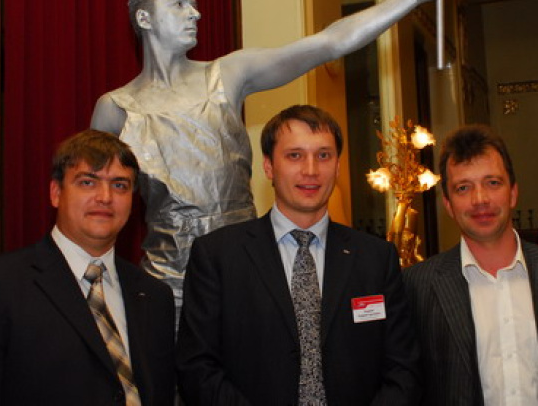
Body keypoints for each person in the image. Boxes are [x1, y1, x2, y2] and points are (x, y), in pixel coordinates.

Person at [90, 0, 452, 310]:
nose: (195, 14)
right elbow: (96, 206)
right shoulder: (117, 108)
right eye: (179, 5)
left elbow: (329, 43)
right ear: (144, 18)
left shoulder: (226, 75)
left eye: (194, 5)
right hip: (166, 283)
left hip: (244, 271)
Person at [176, 105, 419, 405]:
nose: (311, 170)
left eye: (323, 155)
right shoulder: (218, 256)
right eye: (294, 155)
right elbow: (197, 368)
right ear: (268, 167)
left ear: (338, 166)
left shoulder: (376, 258)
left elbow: (403, 368)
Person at [0, 130, 176, 406]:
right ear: (56, 193)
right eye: (88, 182)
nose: (105, 197)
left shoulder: (155, 296)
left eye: (120, 185)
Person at [403, 124, 538, 405]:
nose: (480, 199)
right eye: (463, 188)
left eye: (492, 183)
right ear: (449, 205)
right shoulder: (417, 286)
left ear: (513, 193)